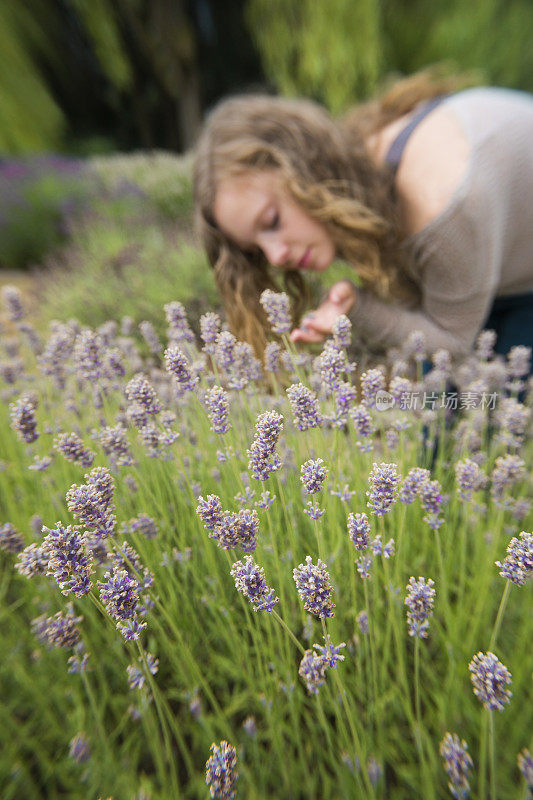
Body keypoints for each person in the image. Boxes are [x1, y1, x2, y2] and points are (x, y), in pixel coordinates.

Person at [193, 69, 533, 363]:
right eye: (257, 251)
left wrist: (358, 309)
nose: (277, 256)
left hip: (516, 275)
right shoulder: (362, 168)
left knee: (478, 417)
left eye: (271, 222)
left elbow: (453, 344)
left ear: (304, 169)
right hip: (499, 255)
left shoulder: (441, 208)